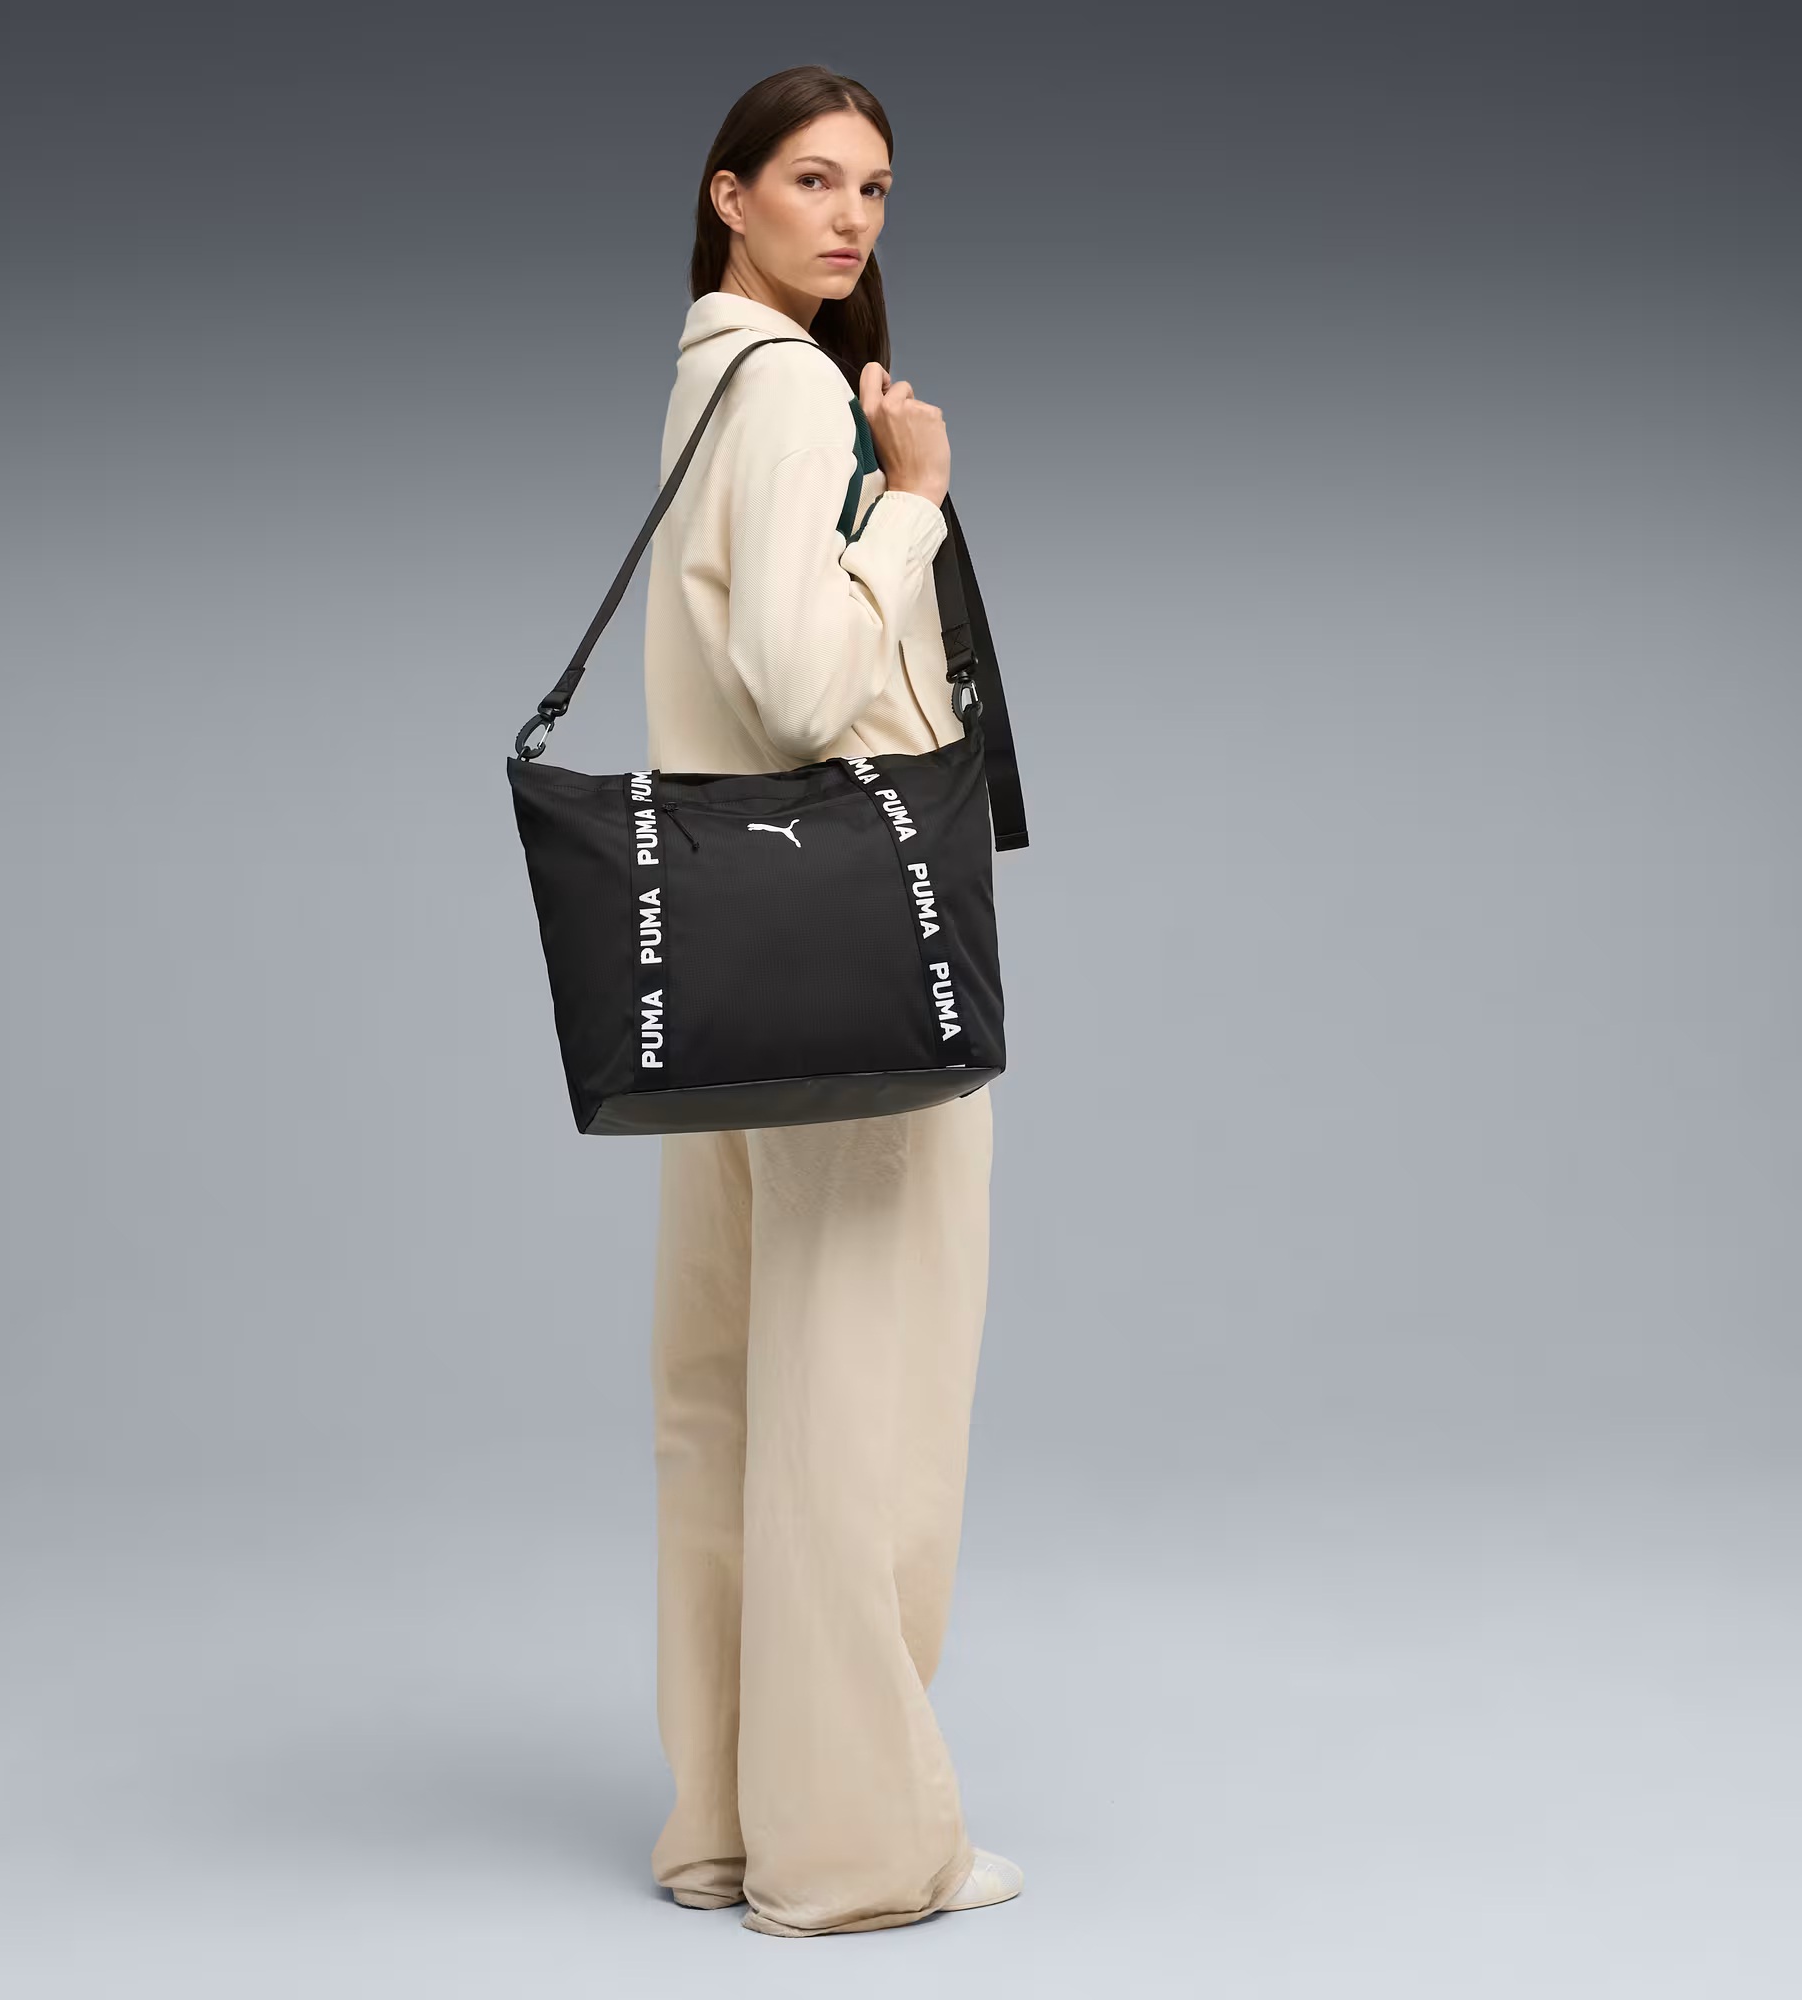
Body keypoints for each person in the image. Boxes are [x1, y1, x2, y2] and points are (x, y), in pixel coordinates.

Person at [639, 65, 1022, 1939]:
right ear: (730, 197)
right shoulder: (793, 392)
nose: (852, 217)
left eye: (874, 186)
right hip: (855, 951)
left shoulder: (709, 378)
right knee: (856, 1402)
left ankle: (725, 1822)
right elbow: (801, 690)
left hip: (731, 959)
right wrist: (918, 507)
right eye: (810, 179)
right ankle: (855, 1853)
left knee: (729, 1386)